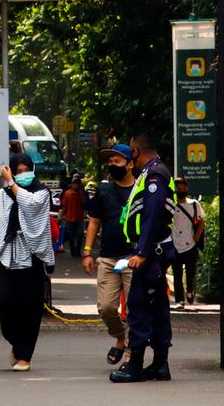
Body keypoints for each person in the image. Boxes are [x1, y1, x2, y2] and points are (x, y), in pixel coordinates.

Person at [0, 153, 54, 372]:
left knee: (30, 309)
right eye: (17, 171)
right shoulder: (0, 197)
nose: (22, 175)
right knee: (4, 303)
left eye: (26, 170)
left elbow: (29, 205)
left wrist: (11, 182)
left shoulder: (41, 193)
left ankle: (25, 356)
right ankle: (16, 342)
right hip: (6, 257)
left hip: (32, 257)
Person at [110, 132, 176, 383]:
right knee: (158, 307)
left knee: (138, 305)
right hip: (155, 250)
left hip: (153, 251)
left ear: (136, 151)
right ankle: (160, 365)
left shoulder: (155, 175)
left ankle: (135, 365)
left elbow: (152, 215)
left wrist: (142, 253)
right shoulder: (152, 172)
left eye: (130, 153)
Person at [83, 144, 137, 367]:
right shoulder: (103, 191)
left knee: (135, 308)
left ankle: (131, 353)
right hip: (107, 257)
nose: (112, 165)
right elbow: (94, 221)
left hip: (134, 257)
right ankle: (120, 336)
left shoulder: (141, 190)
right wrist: (87, 252)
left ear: (130, 164)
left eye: (118, 161)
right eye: (110, 162)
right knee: (105, 307)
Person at [170, 177, 205, 308]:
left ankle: (190, 291)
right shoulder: (170, 205)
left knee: (191, 272)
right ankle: (180, 300)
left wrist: (197, 236)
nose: (181, 190)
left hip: (190, 244)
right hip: (175, 244)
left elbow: (201, 221)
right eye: (178, 188)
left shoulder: (194, 204)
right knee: (177, 273)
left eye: (183, 188)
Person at [59, 175, 87, 261]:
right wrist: (61, 216)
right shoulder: (67, 193)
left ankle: (78, 250)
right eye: (75, 184)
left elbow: (84, 204)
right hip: (70, 218)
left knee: (80, 235)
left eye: (78, 184)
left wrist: (81, 193)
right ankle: (73, 251)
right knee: (71, 236)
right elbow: (64, 206)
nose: (76, 186)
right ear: (72, 184)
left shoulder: (81, 193)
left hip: (79, 218)